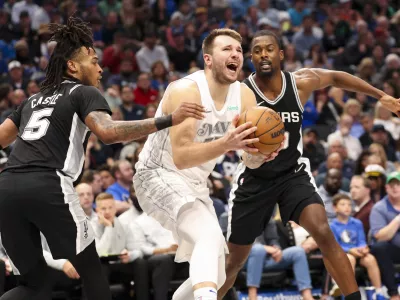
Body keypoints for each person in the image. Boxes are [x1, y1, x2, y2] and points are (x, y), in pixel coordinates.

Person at [0, 16, 205, 300]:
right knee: (92, 270)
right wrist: (167, 119)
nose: (100, 67)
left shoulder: (30, 101)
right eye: (93, 61)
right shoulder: (84, 92)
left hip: (6, 189)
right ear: (72, 66)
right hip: (48, 184)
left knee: (34, 284)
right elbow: (108, 133)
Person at [218, 29, 400, 300]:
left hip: (292, 174)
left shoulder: (300, 82)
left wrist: (378, 95)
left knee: (323, 232)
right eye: (257, 50)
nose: (263, 54)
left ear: (281, 54)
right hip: (255, 178)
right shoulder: (241, 94)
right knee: (234, 261)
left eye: (269, 49)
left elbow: (337, 77)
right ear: (250, 58)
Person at [133, 28, 274, 300]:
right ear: (208, 59)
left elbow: (248, 158)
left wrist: (262, 154)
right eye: (227, 49)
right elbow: (182, 156)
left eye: (239, 50)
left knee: (218, 272)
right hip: (158, 174)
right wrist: (227, 144)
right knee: (208, 237)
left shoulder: (244, 97)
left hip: (195, 184)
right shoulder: (187, 90)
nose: (235, 54)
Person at [329, 194, 382, 298]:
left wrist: (364, 248)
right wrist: (349, 250)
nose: (347, 207)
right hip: (344, 254)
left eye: (349, 204)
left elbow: (361, 240)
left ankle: (379, 292)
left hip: (358, 252)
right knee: (350, 259)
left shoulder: (357, 223)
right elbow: (335, 246)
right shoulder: (331, 226)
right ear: (335, 208)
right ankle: (348, 293)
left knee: (370, 259)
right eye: (343, 204)